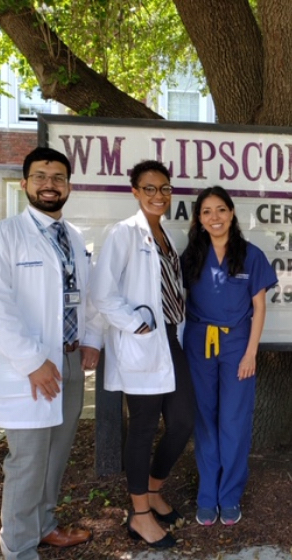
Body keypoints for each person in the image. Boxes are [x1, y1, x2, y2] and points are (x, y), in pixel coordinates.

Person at [0, 147, 103, 560]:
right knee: (27, 461)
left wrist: (92, 338)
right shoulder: (7, 235)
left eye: (58, 177)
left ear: (69, 186)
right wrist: (31, 362)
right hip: (28, 367)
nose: (49, 184)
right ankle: (18, 547)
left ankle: (44, 525)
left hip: (70, 360)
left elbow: (87, 297)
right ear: (24, 183)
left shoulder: (74, 238)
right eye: (40, 176)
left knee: (57, 452)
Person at [90, 160, 195, 548]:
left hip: (171, 340)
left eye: (164, 188)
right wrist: (136, 324)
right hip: (143, 338)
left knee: (184, 420)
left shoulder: (166, 236)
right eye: (149, 188)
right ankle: (139, 515)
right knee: (144, 428)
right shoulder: (123, 234)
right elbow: (102, 292)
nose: (158, 196)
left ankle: (152, 488)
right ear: (134, 191)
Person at [181, 186, 277, 526]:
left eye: (221, 210)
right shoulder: (191, 255)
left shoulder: (251, 255)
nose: (215, 217)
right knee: (205, 420)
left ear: (232, 213)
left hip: (238, 345)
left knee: (234, 421)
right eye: (207, 211)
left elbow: (259, 306)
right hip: (198, 343)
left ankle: (230, 495)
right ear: (199, 218)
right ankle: (208, 495)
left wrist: (251, 352)